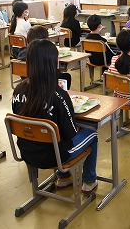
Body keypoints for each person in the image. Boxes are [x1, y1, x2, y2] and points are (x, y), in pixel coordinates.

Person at [12, 39, 98, 193]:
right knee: (92, 132)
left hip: (26, 151)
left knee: (54, 135)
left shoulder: (18, 90)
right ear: (54, 63)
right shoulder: (59, 96)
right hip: (55, 157)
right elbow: (70, 134)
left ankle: (64, 178)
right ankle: (89, 181)